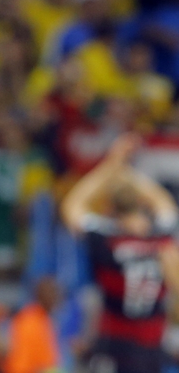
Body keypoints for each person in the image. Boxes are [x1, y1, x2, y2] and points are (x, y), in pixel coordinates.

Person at [61, 134, 179, 373]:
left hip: (113, 342)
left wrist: (111, 165)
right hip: (151, 344)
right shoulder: (162, 234)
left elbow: (72, 205)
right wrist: (129, 174)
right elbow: (162, 201)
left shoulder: (106, 238)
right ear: (141, 203)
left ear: (107, 207)